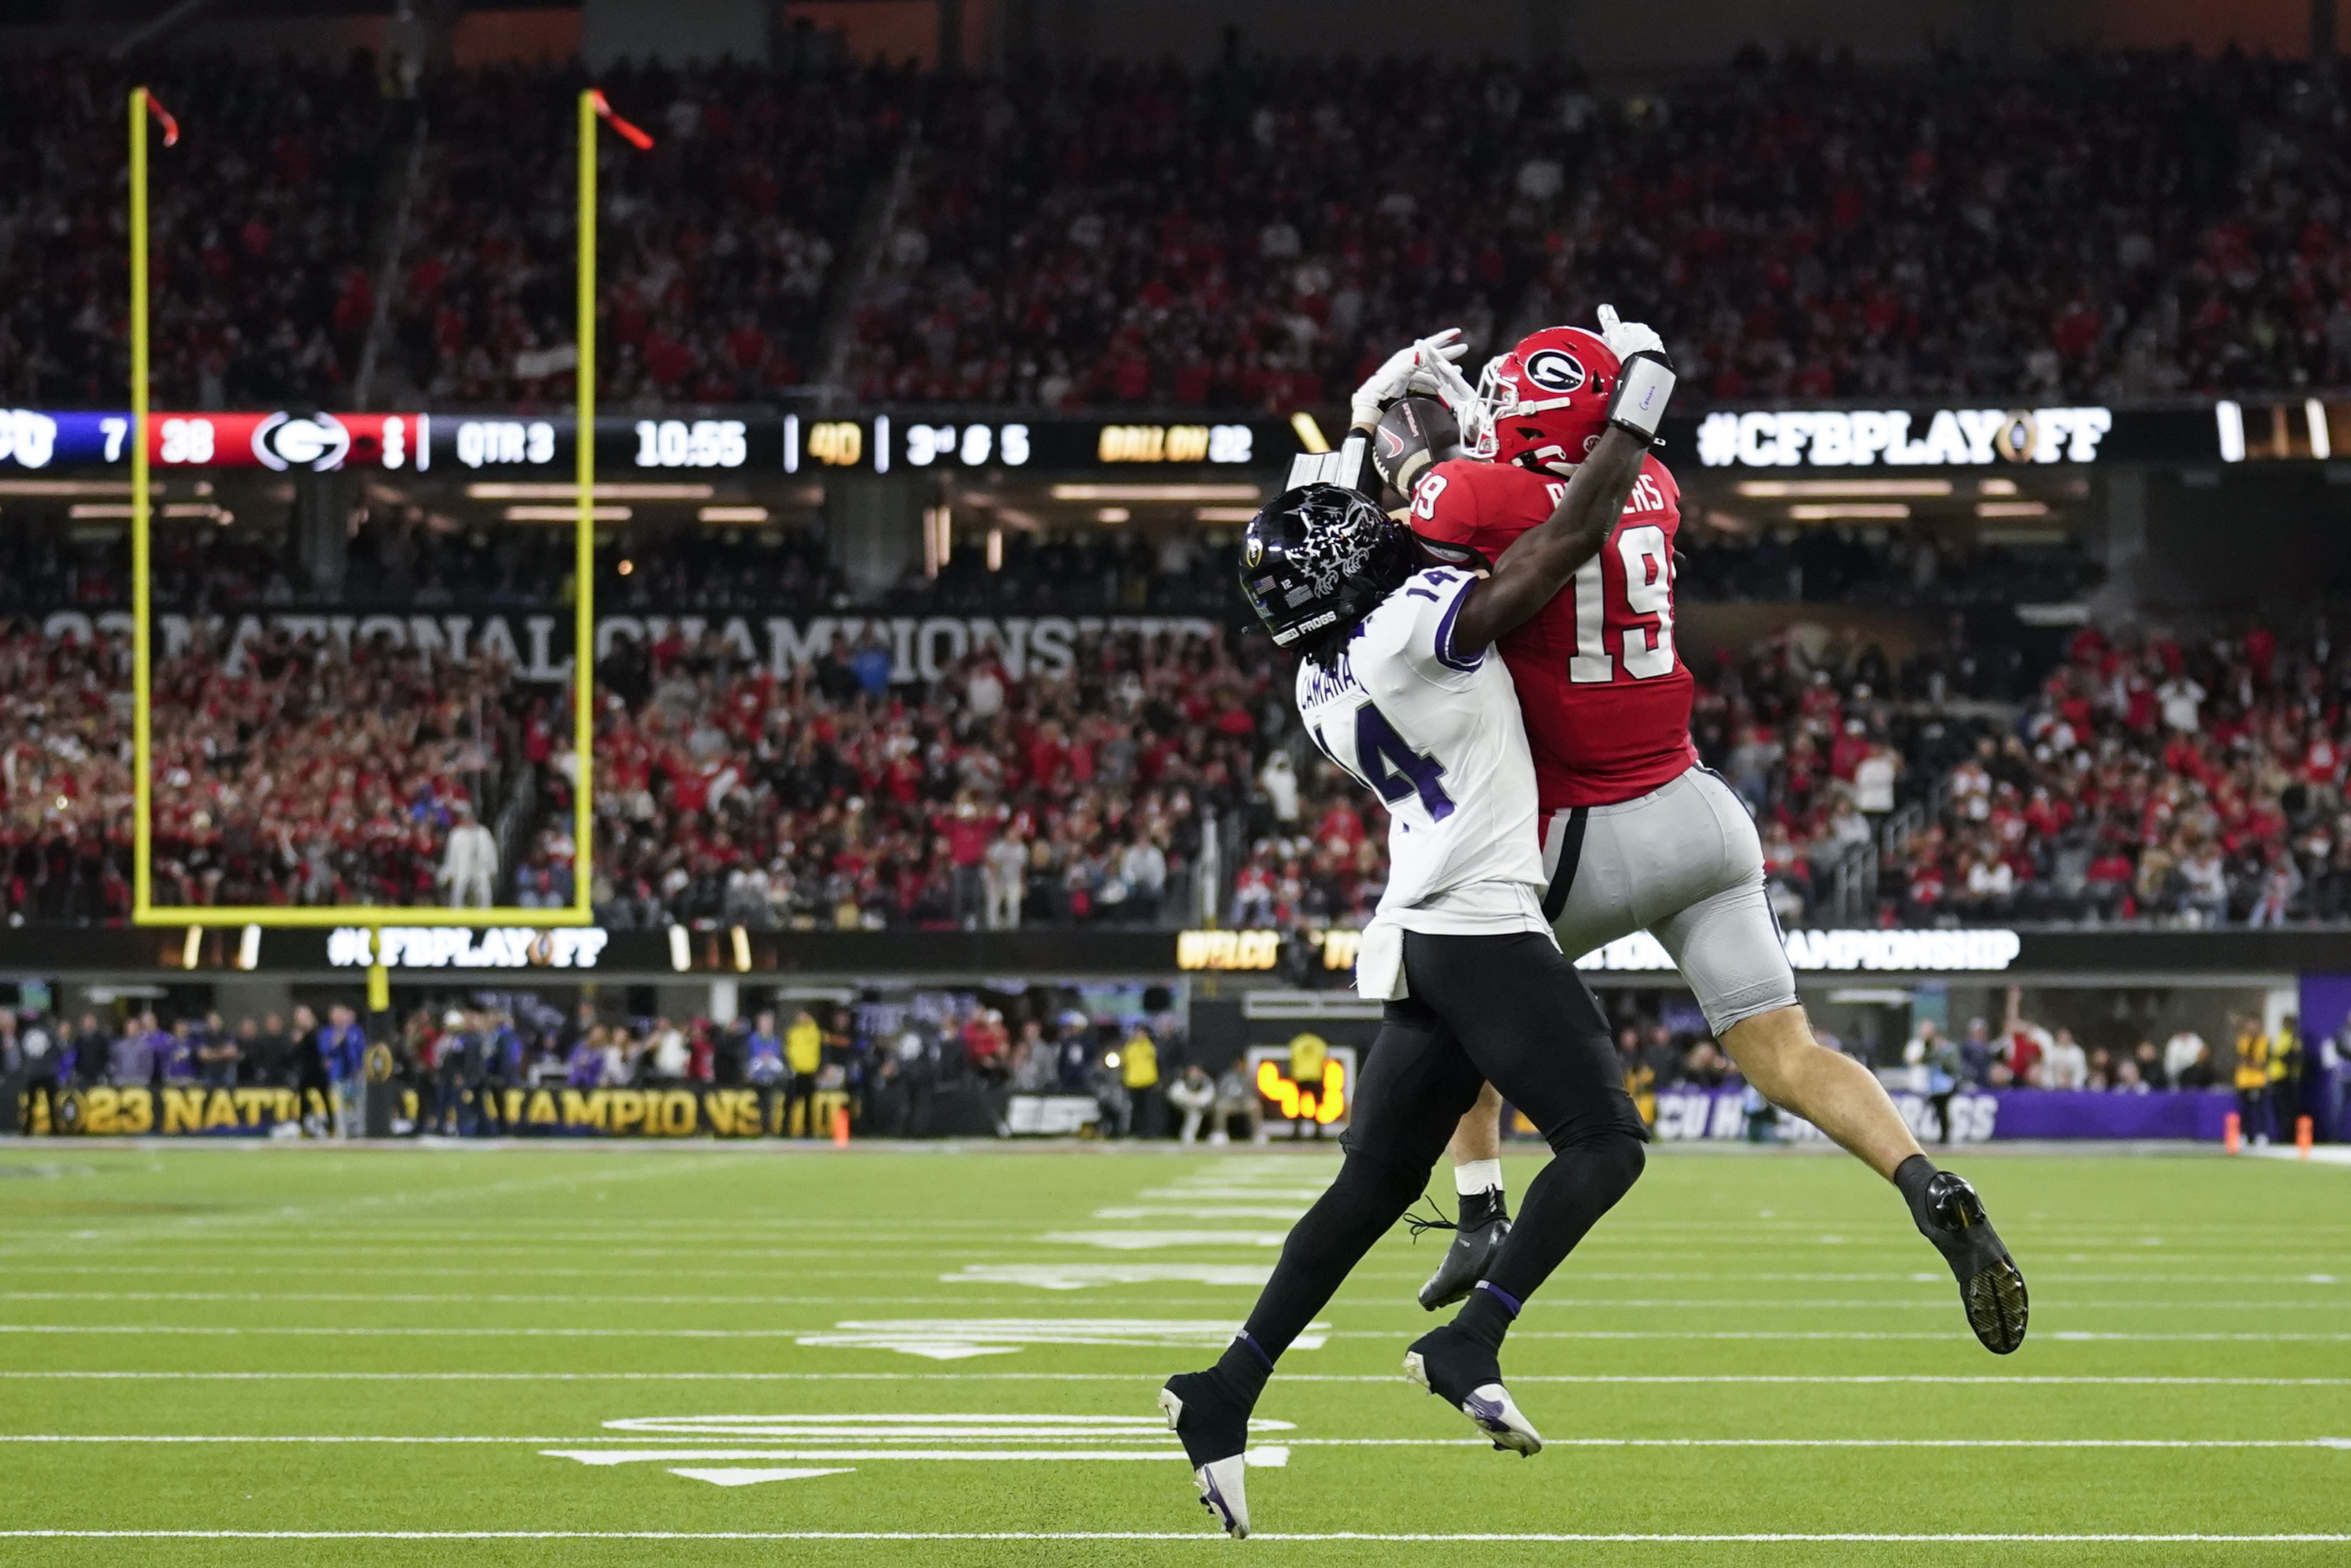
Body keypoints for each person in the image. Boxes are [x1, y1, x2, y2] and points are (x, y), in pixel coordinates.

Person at [1370, 313, 2025, 1356]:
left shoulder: (1476, 492)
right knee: (1787, 1049)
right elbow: (1579, 478)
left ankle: (1481, 1207)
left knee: (1458, 985)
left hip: (1576, 826)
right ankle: (1923, 1176)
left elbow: (1398, 547)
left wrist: (1393, 427)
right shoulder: (1656, 489)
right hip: (1699, 811)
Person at [1163, 331, 1686, 1537]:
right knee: (1606, 1146)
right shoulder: (1418, 626)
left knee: (1372, 1184)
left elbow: (1320, 526)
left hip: (1420, 927)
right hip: (1485, 924)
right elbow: (1566, 540)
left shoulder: (1317, 678)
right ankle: (1473, 1337)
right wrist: (1641, 399)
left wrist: (1357, 426)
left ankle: (1225, 1389)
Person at [439, 800, 499, 908]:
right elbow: (451, 857)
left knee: (484, 895)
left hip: (481, 872)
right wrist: (449, 873)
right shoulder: (456, 834)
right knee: (458, 896)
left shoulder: (483, 833)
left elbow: (491, 854)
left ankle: (485, 922)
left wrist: (492, 870)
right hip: (461, 872)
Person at [2233, 1018, 2273, 1143]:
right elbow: (2241, 1059)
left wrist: (2255, 1065)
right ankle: (2244, 1134)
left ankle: (2261, 1134)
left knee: (2259, 1110)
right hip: (2244, 1081)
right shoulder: (2243, 1041)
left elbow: (2265, 1061)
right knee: (2244, 1110)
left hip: (2258, 1081)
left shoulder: (2264, 1041)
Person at [784, 1008, 823, 1136]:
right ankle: (785, 1129)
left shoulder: (814, 1032)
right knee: (790, 1103)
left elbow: (818, 1047)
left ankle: (808, 1130)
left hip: (809, 1072)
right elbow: (787, 1050)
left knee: (808, 1104)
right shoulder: (793, 1033)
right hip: (796, 1072)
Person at [1119, 1022, 1160, 1138]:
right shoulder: (1130, 1047)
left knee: (1148, 1109)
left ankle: (1148, 1132)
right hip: (1133, 1081)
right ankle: (1137, 1131)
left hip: (1148, 1081)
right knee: (1136, 1109)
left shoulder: (1150, 1047)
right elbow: (1124, 1062)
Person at [1168, 1064, 1217, 1143]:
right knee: (1192, 1109)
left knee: (1194, 1112)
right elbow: (1173, 1094)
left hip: (1199, 1106)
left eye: (1196, 1071)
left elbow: (1208, 1098)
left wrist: (1195, 1099)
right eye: (1192, 1071)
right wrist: (1189, 1097)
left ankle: (1188, 1136)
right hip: (1181, 1104)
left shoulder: (1206, 1082)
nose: (1194, 1074)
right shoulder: (1181, 1079)